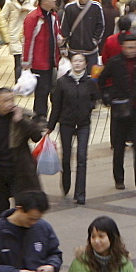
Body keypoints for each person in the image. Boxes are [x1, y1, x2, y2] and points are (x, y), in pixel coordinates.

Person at [98, 34, 136, 196]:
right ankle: (119, 178)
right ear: (123, 48)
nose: (131, 51)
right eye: (128, 47)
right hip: (120, 110)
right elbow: (101, 80)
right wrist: (107, 98)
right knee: (119, 147)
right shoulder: (115, 62)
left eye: (134, 47)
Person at [0, 88, 44, 217]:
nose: (10, 103)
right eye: (5, 100)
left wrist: (21, 120)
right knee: (2, 211)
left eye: (12, 99)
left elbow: (36, 136)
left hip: (19, 171)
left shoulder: (22, 116)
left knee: (23, 209)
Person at [47, 53, 98, 206]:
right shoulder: (62, 82)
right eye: (75, 61)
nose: (77, 64)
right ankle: (66, 183)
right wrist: (50, 126)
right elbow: (56, 106)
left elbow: (95, 98)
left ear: (85, 64)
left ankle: (80, 193)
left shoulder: (89, 82)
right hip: (66, 124)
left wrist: (89, 108)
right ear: (71, 63)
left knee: (82, 158)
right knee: (67, 156)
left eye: (80, 61)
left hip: (83, 124)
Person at [0, 190, 62, 272]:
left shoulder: (43, 227)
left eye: (37, 219)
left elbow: (54, 253)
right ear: (19, 209)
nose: (33, 223)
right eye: (30, 218)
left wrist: (51, 265)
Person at [21, 0, 60, 118]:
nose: (54, 0)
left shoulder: (53, 15)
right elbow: (28, 41)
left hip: (52, 61)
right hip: (39, 63)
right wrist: (26, 62)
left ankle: (53, 116)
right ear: (44, 1)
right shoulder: (33, 18)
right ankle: (39, 118)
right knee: (42, 93)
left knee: (53, 90)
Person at [60, 0, 105, 66]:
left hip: (91, 51)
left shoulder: (96, 7)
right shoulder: (69, 8)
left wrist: (94, 40)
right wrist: (64, 45)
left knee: (91, 77)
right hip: (73, 50)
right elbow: (65, 27)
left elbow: (100, 26)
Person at [68, 216, 135, 272]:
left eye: (101, 236)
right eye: (93, 237)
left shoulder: (124, 264)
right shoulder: (80, 263)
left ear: (112, 238)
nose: (96, 241)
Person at [2, 0, 38, 82]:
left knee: (31, 59)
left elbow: (38, 12)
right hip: (15, 34)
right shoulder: (10, 3)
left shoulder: (32, 0)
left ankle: (29, 83)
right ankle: (18, 84)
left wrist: (28, 9)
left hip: (30, 33)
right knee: (18, 61)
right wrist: (6, 34)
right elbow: (2, 17)